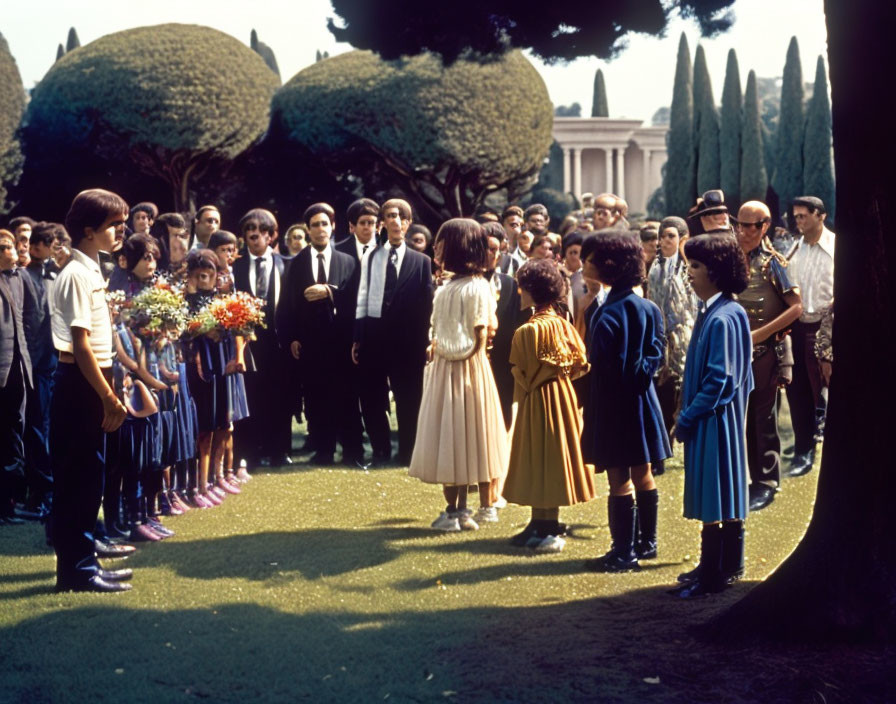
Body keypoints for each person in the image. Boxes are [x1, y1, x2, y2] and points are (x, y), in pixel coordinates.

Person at [50, 189, 130, 592]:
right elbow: (80, 346)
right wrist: (107, 396)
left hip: (93, 381)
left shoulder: (92, 270)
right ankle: (76, 571)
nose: (121, 231)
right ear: (88, 231)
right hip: (81, 384)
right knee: (78, 479)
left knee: (90, 477)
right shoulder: (77, 275)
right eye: (113, 225)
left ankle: (86, 562)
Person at [409, 219, 508, 530]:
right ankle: (456, 509)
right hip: (450, 367)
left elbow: (482, 331)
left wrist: (458, 353)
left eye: (442, 244)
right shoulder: (449, 287)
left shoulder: (476, 287)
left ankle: (484, 505)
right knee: (452, 434)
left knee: (475, 434)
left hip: (468, 369)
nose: (436, 249)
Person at [581, 232, 670, 572]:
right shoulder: (648, 306)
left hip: (614, 404)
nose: (586, 264)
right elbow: (656, 349)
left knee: (618, 477)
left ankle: (623, 551)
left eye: (590, 259)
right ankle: (647, 543)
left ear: (607, 266)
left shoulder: (607, 313)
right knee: (644, 470)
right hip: (642, 399)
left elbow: (602, 362)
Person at [670, 234, 753, 598]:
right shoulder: (718, 311)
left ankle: (715, 574)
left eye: (695, 266)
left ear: (715, 272)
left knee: (715, 492)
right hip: (718, 418)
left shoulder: (723, 317)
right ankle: (718, 566)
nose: (689, 273)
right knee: (721, 491)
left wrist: (688, 417)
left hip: (714, 420)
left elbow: (722, 379)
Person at [502, 258, 595, 551]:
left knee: (537, 456)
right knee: (552, 457)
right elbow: (582, 363)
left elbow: (521, 371)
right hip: (562, 396)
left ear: (531, 290)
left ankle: (546, 524)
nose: (519, 293)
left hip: (538, 397)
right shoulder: (563, 324)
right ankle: (541, 521)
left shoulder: (528, 330)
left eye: (522, 288)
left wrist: (535, 383)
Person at [278, 203, 361, 466]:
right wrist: (291, 337)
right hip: (311, 342)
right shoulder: (296, 263)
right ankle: (323, 449)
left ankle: (352, 450)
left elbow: (356, 297)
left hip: (343, 341)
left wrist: (330, 291)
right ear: (308, 229)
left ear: (333, 226)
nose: (321, 229)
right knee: (316, 397)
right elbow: (287, 303)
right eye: (315, 225)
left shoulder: (348, 261)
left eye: (325, 223)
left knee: (347, 396)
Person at [353, 199, 433, 466]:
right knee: (372, 396)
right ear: (383, 223)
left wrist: (427, 340)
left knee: (409, 398)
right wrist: (358, 336)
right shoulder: (372, 256)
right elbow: (362, 297)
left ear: (408, 223)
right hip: (374, 338)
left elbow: (426, 303)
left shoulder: (422, 261)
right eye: (390, 216)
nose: (396, 221)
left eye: (401, 216)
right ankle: (380, 449)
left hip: (409, 342)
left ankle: (408, 451)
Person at [734, 201, 802, 511]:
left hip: (763, 353)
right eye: (740, 224)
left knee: (763, 418)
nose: (743, 231)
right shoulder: (734, 259)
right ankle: (746, 478)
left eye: (749, 226)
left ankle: (766, 481)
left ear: (764, 227)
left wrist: (759, 335)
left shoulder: (774, 263)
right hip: (735, 353)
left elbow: (796, 307)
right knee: (741, 419)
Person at [232, 209, 291, 471]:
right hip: (249, 343)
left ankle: (279, 450)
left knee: (280, 396)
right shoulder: (236, 267)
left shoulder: (286, 264)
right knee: (251, 396)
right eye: (249, 230)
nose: (255, 234)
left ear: (271, 235)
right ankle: (251, 452)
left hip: (280, 341)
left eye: (261, 230)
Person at [785, 195, 835, 477]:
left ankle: (827, 446)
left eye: (803, 216)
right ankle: (804, 449)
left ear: (820, 215)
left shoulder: (837, 248)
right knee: (797, 390)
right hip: (799, 326)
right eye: (796, 217)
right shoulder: (795, 249)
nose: (799, 221)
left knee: (826, 390)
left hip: (827, 327)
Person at [646, 216, 698, 471]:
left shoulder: (689, 269)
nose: (665, 241)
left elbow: (694, 307)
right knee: (660, 394)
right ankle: (660, 450)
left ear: (681, 240)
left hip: (684, 338)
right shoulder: (655, 267)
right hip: (659, 339)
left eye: (670, 236)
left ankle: (684, 443)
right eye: (662, 236)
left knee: (682, 391)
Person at [19, 223, 59, 519]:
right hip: (32, 364)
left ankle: (47, 489)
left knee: (47, 427)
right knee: (36, 429)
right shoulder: (22, 277)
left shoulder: (55, 275)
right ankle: (40, 493)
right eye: (52, 245)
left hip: (54, 362)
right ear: (36, 247)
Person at [0, 229, 34, 525]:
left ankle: (11, 502)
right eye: (4, 247)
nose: (12, 251)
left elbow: (30, 320)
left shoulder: (19, 279)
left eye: (11, 246)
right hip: (3, 369)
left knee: (15, 433)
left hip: (18, 368)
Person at [482, 222, 525, 429]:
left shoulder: (511, 284)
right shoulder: (465, 283)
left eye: (493, 249)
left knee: (503, 414)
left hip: (504, 363)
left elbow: (519, 323)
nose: (488, 254)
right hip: (474, 360)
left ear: (501, 251)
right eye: (483, 248)